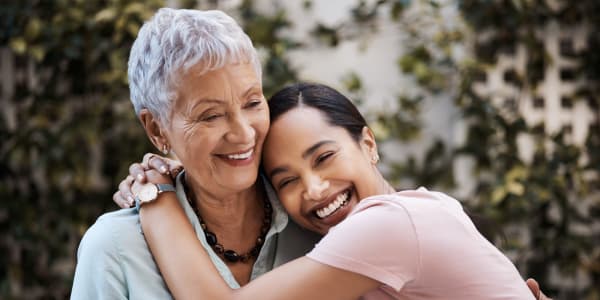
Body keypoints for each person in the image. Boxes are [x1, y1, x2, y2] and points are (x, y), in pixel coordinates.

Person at [128, 82, 552, 299]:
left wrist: (157, 195)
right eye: (287, 181)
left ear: (368, 144)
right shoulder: (418, 213)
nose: (313, 189)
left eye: (324, 157)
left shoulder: (390, 226)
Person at [70, 8, 321, 299]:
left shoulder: (315, 215)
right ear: (156, 129)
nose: (243, 134)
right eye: (210, 116)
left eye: (252, 103)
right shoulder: (114, 248)